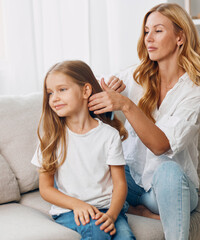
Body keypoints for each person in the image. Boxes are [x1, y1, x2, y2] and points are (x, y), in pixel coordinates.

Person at [88, 3, 200, 240]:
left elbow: (161, 146)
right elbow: (92, 110)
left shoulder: (194, 91)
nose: (149, 38)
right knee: (86, 169)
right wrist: (106, 100)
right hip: (131, 182)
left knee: (169, 170)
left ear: (180, 37)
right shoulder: (133, 76)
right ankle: (137, 210)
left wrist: (126, 104)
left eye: (158, 31)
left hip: (165, 190)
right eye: (147, 31)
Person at [31, 60, 135, 240]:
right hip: (70, 210)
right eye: (50, 93)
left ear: (86, 91)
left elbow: (119, 184)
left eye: (62, 89)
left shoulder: (109, 135)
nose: (54, 98)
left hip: (106, 209)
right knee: (97, 231)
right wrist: (77, 205)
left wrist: (111, 215)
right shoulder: (51, 138)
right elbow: (46, 188)